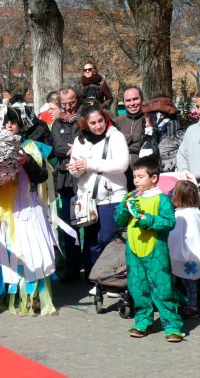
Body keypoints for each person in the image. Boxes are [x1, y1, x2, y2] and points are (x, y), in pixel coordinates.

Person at [0, 106, 57, 315]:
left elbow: (42, 176)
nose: (8, 125)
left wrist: (27, 161)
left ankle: (34, 296)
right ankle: (3, 293)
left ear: (20, 125)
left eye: (12, 122)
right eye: (5, 122)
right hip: (1, 211)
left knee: (31, 251)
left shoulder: (31, 147)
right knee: (3, 252)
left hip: (27, 208)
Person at [113, 156, 184, 342]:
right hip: (134, 251)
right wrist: (123, 208)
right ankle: (143, 321)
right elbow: (119, 221)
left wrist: (149, 221)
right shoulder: (131, 197)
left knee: (162, 288)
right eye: (134, 176)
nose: (136, 180)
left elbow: (169, 222)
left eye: (141, 176)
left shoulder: (161, 199)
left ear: (153, 178)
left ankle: (172, 325)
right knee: (138, 287)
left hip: (156, 251)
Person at [67, 103, 128, 287]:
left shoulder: (115, 136)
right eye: (93, 123)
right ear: (86, 124)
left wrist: (90, 164)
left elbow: (121, 164)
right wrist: (75, 169)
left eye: (100, 121)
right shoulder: (80, 140)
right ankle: (95, 280)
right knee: (91, 241)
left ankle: (112, 277)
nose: (98, 126)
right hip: (88, 199)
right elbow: (76, 167)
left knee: (107, 238)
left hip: (112, 196)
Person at [51, 85, 81, 283]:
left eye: (71, 103)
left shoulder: (84, 119)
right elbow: (57, 147)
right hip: (65, 180)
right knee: (69, 224)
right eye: (64, 104)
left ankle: (91, 265)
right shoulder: (56, 124)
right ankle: (72, 267)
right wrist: (76, 148)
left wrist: (76, 148)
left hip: (84, 176)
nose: (68, 108)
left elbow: (86, 141)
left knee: (89, 222)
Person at [168, 180, 200, 319]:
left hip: (181, 253)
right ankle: (189, 304)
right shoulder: (195, 211)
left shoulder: (178, 213)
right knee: (190, 281)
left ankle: (192, 306)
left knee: (187, 281)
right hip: (194, 253)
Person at [138, 96, 184, 173]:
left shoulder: (179, 137)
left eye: (148, 116)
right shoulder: (150, 136)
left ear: (161, 116)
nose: (145, 120)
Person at [113, 86, 145, 191]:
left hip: (144, 179)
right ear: (124, 102)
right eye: (128, 100)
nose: (132, 103)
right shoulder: (116, 122)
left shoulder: (149, 119)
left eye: (135, 99)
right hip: (121, 179)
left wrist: (123, 143)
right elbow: (113, 147)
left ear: (142, 99)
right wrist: (137, 137)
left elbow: (146, 145)